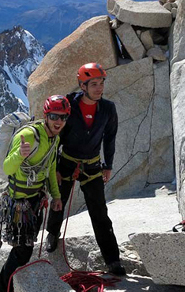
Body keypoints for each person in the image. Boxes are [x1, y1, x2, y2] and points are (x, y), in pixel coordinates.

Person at [45, 63, 126, 276]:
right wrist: (54, 168)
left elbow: (110, 137)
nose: (99, 88)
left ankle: (112, 259)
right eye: (94, 84)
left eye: (101, 84)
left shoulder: (108, 108)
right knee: (57, 202)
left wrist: (108, 165)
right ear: (83, 86)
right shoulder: (69, 105)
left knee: (100, 212)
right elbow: (56, 138)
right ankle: (52, 233)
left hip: (92, 165)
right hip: (67, 162)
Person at [0, 95, 70, 292]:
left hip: (34, 200)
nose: (59, 121)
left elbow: (51, 168)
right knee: (22, 250)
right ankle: (3, 291)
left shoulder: (54, 139)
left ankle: (7, 289)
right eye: (54, 116)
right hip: (19, 201)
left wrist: (56, 196)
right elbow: (8, 169)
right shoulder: (29, 135)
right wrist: (20, 153)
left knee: (24, 247)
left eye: (63, 117)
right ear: (46, 116)